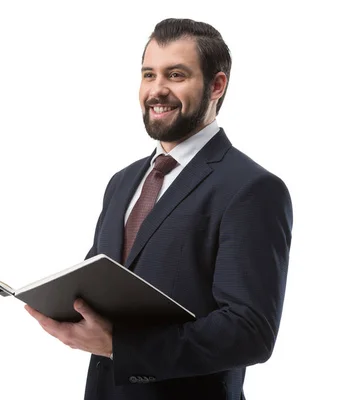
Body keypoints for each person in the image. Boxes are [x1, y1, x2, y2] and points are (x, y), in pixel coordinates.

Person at [25, 17, 293, 399]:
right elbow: (102, 283)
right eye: (148, 74)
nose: (157, 89)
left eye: (176, 75)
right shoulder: (123, 181)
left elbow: (250, 331)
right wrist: (52, 300)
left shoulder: (252, 188)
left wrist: (120, 346)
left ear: (216, 85)